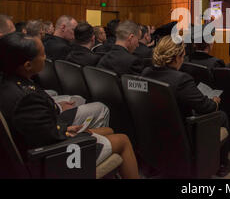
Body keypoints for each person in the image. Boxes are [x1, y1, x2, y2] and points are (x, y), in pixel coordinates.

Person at [0, 33, 139, 178]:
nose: (46, 57)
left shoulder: (10, 83)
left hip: (48, 143)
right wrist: (72, 134)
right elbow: (48, 140)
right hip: (54, 157)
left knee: (108, 130)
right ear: (28, 65)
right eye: (42, 54)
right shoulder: (27, 99)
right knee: (123, 140)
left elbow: (41, 130)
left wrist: (65, 128)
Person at [141, 36, 230, 177]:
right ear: (177, 57)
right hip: (182, 133)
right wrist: (214, 101)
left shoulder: (146, 73)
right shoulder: (181, 79)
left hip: (154, 130)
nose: (183, 59)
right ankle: (222, 164)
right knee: (221, 115)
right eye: (183, 56)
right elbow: (206, 107)